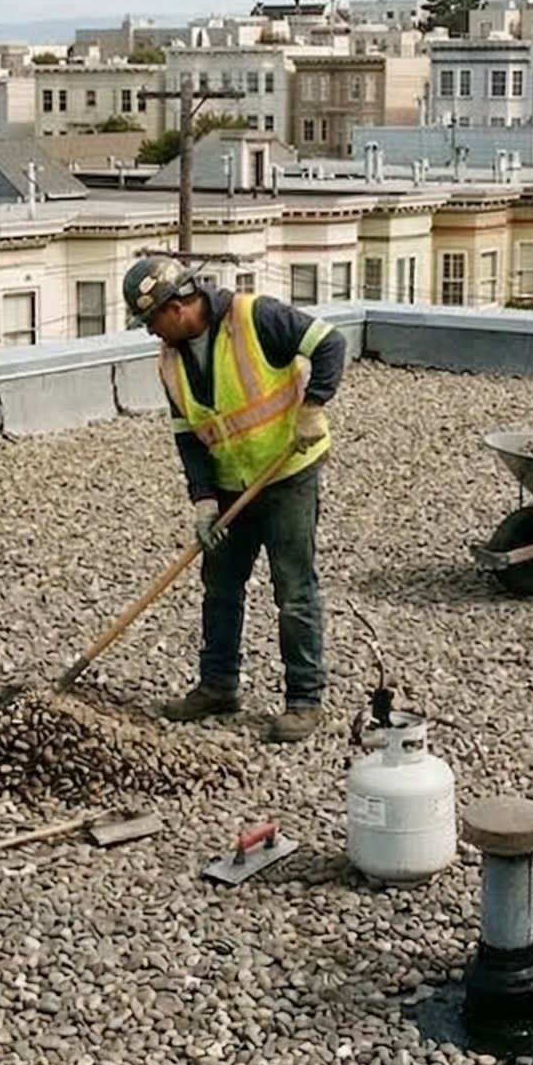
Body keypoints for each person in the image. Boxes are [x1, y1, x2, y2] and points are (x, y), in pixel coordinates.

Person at [123, 254, 347, 743]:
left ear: (178, 305)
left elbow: (330, 343)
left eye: (151, 321)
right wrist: (203, 499)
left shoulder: (255, 317)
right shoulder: (170, 360)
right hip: (230, 483)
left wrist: (313, 407)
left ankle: (304, 699)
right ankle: (218, 685)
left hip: (287, 472)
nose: (150, 332)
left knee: (294, 588)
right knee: (220, 585)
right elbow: (188, 437)